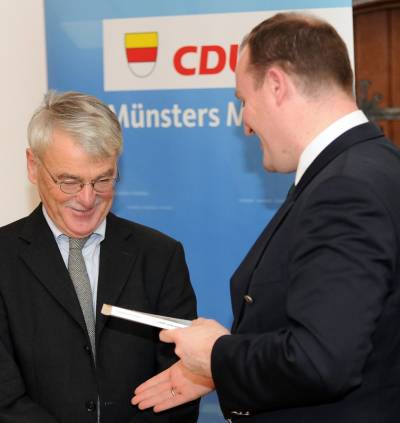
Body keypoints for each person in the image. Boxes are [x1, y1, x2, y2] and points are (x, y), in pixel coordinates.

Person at [132, 11, 400, 422]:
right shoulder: (375, 164)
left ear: (276, 85)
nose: (244, 124)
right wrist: (222, 374)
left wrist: (217, 355)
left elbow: (321, 360)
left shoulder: (344, 188)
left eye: (243, 100)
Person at [0, 91, 199, 423]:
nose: (87, 199)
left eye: (103, 180)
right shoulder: (4, 258)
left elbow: (179, 386)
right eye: (69, 181)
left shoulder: (160, 256)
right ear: (33, 167)